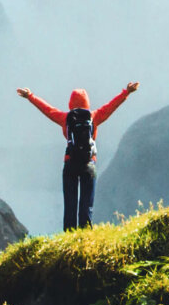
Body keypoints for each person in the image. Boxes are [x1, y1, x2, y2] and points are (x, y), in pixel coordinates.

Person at [17, 81, 138, 230]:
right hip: (89, 163)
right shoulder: (94, 116)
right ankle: (85, 234)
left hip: (70, 163)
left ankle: (69, 234)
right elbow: (111, 106)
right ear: (87, 103)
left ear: (70, 103)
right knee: (86, 203)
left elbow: (47, 110)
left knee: (70, 203)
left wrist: (30, 96)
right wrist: (126, 92)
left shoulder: (66, 118)